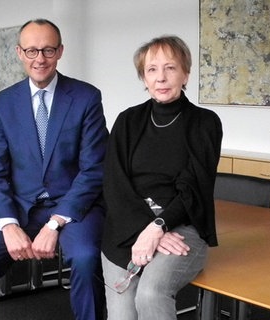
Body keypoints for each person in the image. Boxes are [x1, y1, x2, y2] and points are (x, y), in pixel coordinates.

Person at [0, 18, 108, 320]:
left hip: (72, 208)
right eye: (31, 51)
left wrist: (54, 224)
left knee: (85, 258)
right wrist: (8, 224)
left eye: (48, 50)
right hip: (20, 208)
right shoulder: (2, 104)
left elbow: (93, 169)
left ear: (60, 51)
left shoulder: (86, 98)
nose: (39, 59)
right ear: (19, 53)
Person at [100, 35, 223, 319]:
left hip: (182, 226)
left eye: (170, 68)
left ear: (186, 74)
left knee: (151, 294)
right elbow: (114, 182)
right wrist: (146, 227)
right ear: (143, 78)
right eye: (152, 69)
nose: (161, 77)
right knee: (123, 314)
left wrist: (159, 226)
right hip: (125, 227)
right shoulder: (127, 120)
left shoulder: (205, 123)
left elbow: (194, 188)